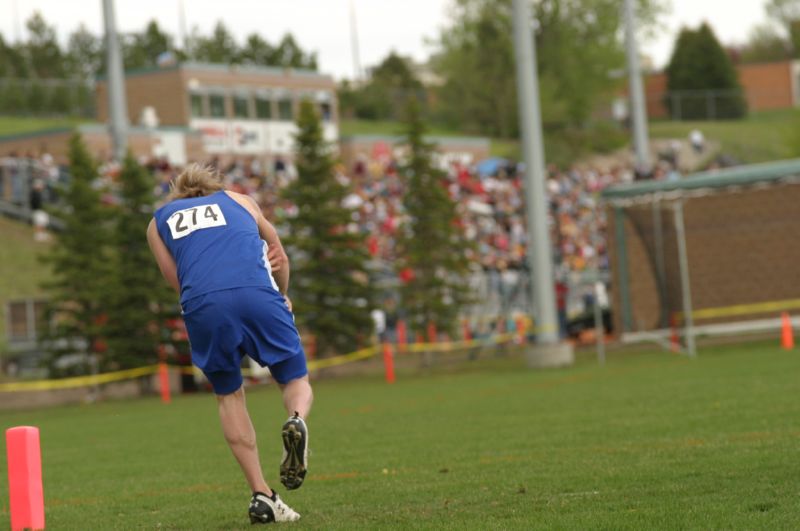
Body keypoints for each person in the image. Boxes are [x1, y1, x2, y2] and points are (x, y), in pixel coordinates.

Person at [146, 164, 312, 524]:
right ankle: (297, 420)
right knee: (295, 378)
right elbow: (278, 253)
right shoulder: (240, 200)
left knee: (229, 394)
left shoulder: (158, 221)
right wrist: (282, 294)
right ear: (212, 188)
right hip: (256, 293)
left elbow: (177, 280)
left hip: (204, 304)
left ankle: (262, 494)